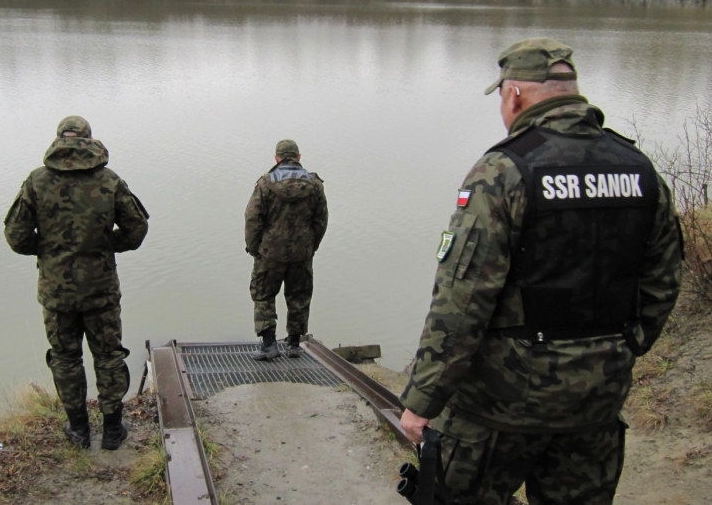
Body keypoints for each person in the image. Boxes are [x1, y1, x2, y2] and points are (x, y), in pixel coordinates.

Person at [398, 38, 684, 504]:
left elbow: (463, 300)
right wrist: (616, 349)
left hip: (501, 406)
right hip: (596, 400)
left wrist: (423, 399)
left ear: (514, 96)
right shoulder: (639, 169)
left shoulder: (505, 171)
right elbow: (663, 281)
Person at [4, 115, 149, 451]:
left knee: (66, 359)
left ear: (59, 140)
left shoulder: (37, 182)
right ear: (89, 140)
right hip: (101, 290)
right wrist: (105, 244)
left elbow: (15, 236)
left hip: (57, 293)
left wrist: (49, 249)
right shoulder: (109, 181)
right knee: (109, 356)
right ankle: (113, 430)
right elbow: (136, 230)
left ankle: (79, 430)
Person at [244, 139, 328, 360]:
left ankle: (269, 345)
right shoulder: (315, 184)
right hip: (302, 253)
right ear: (298, 157)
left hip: (270, 253)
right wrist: (312, 246)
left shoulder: (265, 183)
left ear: (276, 158)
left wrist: (254, 249)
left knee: (263, 295)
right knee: (299, 296)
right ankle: (293, 345)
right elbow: (321, 220)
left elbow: (253, 218)